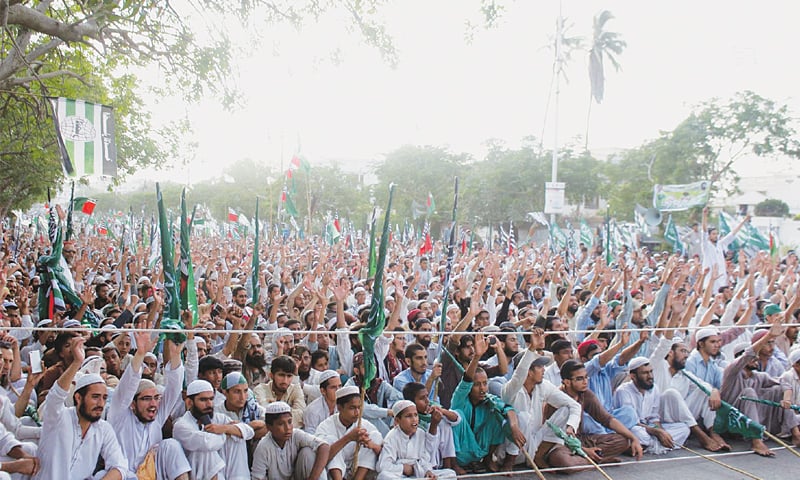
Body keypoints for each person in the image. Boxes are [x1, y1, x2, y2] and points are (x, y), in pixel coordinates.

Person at [34, 336, 128, 480]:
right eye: (95, 397)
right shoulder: (59, 417)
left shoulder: (103, 429)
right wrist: (77, 362)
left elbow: (119, 466)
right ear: (78, 398)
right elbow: (56, 396)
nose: (101, 403)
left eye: (104, 398)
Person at [107, 331, 189, 480]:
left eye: (156, 398)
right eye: (146, 399)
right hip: (123, 476)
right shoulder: (120, 415)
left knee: (171, 445)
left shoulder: (156, 417)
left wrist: (176, 356)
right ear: (132, 404)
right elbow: (127, 386)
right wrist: (140, 354)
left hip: (152, 474)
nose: (153, 404)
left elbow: (174, 388)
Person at [500, 330, 584, 471]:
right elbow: (519, 374)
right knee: (522, 417)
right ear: (529, 371)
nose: (544, 370)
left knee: (566, 409)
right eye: (539, 367)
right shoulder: (510, 389)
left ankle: (538, 456)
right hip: (510, 448)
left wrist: (571, 427)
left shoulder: (543, 385)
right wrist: (532, 348)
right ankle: (510, 462)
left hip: (534, 443)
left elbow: (574, 406)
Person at [720, 321, 796, 457]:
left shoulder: (759, 376)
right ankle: (756, 440)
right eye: (752, 357)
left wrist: (787, 398)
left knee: (778, 389)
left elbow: (784, 382)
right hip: (733, 423)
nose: (756, 358)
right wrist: (769, 336)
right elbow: (748, 354)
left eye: (756, 357)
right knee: (749, 392)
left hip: (758, 421)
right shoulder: (732, 372)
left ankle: (795, 432)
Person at [452, 332, 525, 472]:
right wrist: (477, 356)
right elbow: (466, 380)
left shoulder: (487, 399)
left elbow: (507, 408)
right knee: (457, 416)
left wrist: (514, 427)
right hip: (459, 452)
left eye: (485, 384)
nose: (482, 388)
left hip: (479, 449)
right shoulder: (460, 398)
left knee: (497, 415)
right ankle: (455, 465)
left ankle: (487, 459)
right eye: (477, 384)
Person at [555, 359, 643, 463]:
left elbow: (607, 419)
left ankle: (586, 460)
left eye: (586, 377)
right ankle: (591, 460)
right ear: (567, 382)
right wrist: (585, 451)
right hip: (560, 442)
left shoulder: (585, 394)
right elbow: (556, 435)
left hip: (581, 439)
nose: (585, 382)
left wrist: (633, 438)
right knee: (562, 460)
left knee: (623, 441)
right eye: (579, 379)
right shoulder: (557, 398)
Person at [173, 379, 255, 480]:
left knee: (237, 439)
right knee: (207, 452)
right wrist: (226, 432)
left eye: (211, 399)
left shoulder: (219, 418)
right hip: (196, 474)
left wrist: (225, 428)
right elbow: (208, 443)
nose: (209, 404)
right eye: (203, 400)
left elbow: (249, 432)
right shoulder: (181, 425)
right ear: (190, 402)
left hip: (224, 472)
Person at [614, 357, 691, 455]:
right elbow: (630, 423)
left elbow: (654, 418)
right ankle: (656, 446)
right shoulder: (623, 391)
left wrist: (661, 432)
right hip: (633, 428)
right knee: (638, 432)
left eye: (651, 372)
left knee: (684, 428)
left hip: (649, 429)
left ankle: (651, 446)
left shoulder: (654, 389)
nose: (650, 376)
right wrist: (656, 432)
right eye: (645, 373)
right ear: (633, 376)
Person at [376, 399, 457, 479]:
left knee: (450, 474)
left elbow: (425, 459)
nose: (414, 419)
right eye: (409, 416)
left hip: (418, 474)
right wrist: (403, 468)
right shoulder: (392, 437)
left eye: (415, 415)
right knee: (384, 476)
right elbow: (384, 466)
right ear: (397, 420)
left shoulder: (420, 433)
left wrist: (427, 472)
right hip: (401, 476)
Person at [316, 385, 383, 480]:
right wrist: (348, 438)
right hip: (333, 474)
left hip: (357, 471)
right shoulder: (326, 426)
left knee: (375, 436)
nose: (357, 413)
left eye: (359, 408)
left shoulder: (364, 425)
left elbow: (384, 453)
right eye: (352, 408)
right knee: (329, 441)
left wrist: (371, 444)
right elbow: (320, 457)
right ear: (339, 408)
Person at [251, 401, 330, 480]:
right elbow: (257, 477)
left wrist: (313, 478)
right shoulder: (263, 447)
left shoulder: (296, 435)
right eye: (281, 424)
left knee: (308, 452)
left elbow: (324, 446)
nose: (287, 428)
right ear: (269, 427)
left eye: (289, 422)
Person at [253, 355, 306, 428]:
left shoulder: (295, 389)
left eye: (289, 376)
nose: (285, 380)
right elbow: (263, 417)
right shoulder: (260, 390)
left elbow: (301, 416)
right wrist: (289, 412)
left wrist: (274, 407)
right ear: (271, 375)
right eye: (281, 375)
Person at [303, 370, 341, 435]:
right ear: (323, 391)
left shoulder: (344, 406)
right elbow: (310, 438)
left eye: (340, 386)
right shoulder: (312, 411)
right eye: (333, 387)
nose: (338, 390)